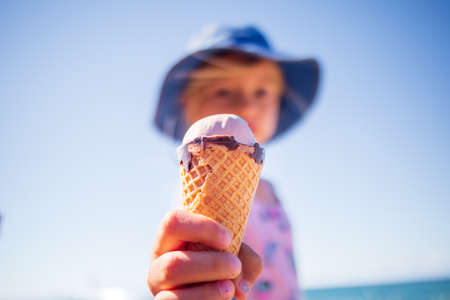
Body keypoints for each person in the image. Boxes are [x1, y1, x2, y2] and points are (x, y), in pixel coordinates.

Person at [148, 25, 320, 300]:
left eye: (262, 92)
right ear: (187, 104)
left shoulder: (273, 191)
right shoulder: (197, 190)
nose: (247, 106)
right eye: (224, 91)